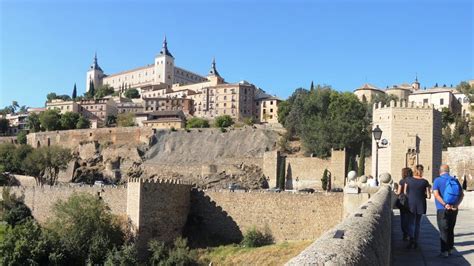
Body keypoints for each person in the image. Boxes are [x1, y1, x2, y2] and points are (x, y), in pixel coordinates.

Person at [433, 164, 464, 258]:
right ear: (448, 171)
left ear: (440, 171)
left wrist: (445, 204)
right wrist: (456, 205)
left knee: (443, 230)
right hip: (454, 209)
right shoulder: (454, 180)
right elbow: (462, 195)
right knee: (451, 229)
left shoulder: (437, 180)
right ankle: (450, 249)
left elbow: (436, 195)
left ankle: (444, 251)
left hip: (442, 209)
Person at [404, 164, 431, 249]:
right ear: (422, 171)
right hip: (421, 203)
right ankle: (415, 241)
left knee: (411, 222)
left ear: (414, 170)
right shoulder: (425, 182)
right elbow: (429, 196)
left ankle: (411, 239)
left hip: (411, 203)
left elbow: (405, 192)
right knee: (418, 223)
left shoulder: (408, 180)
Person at [397, 168, 412, 241]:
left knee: (403, 218)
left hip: (403, 201)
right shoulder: (412, 181)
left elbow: (399, 192)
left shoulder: (402, 181)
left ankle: (405, 234)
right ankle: (410, 233)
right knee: (410, 219)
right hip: (411, 201)